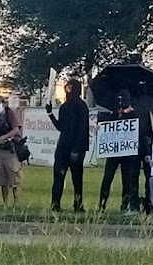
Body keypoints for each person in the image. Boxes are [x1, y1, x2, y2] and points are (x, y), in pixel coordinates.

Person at [46, 79, 89, 212]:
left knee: (76, 179)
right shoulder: (65, 107)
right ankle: (56, 204)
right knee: (59, 177)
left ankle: (77, 204)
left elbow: (83, 129)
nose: (67, 91)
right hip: (64, 147)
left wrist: (76, 149)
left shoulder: (81, 107)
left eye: (70, 88)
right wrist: (50, 114)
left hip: (73, 148)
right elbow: (60, 127)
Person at [98, 89, 139, 215]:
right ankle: (102, 204)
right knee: (107, 178)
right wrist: (117, 115)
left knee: (126, 180)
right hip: (113, 153)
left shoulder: (134, 115)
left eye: (123, 101)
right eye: (119, 100)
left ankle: (124, 205)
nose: (121, 103)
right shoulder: (114, 114)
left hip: (127, 154)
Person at [132, 87, 153, 214]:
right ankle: (149, 203)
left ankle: (133, 202)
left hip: (134, 142)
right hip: (149, 141)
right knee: (150, 174)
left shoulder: (132, 101)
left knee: (133, 174)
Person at [0, 95, 23, 206]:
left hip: (11, 150)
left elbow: (16, 129)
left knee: (14, 178)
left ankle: (16, 203)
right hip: (1, 150)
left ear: (4, 104)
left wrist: (4, 138)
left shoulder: (10, 114)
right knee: (2, 178)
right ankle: (5, 203)